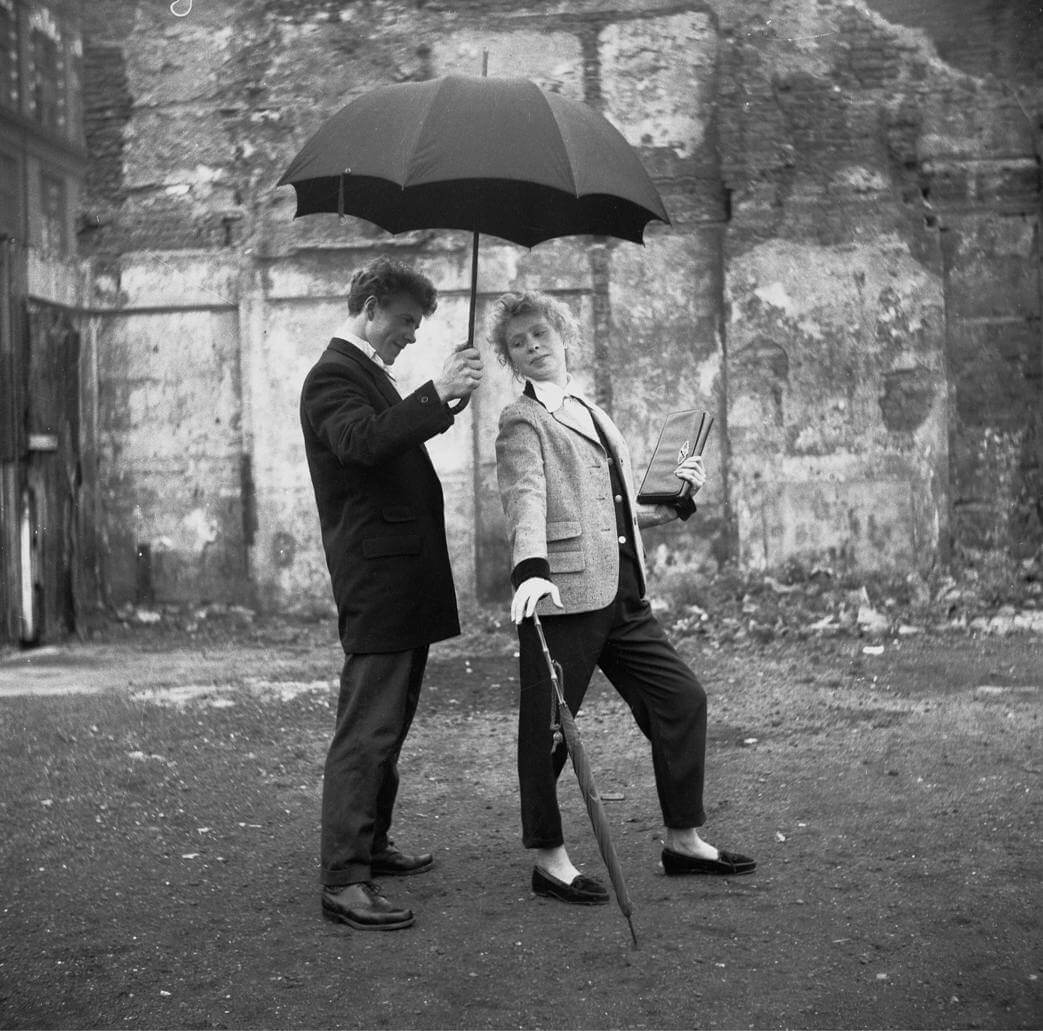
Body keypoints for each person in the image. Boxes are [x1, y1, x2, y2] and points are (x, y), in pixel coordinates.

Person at [491, 290, 754, 906]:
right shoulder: (521, 421)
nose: (531, 346)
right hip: (563, 595)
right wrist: (529, 568)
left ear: (563, 334)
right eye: (517, 343)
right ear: (510, 359)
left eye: (539, 333)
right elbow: (524, 497)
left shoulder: (589, 409)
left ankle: (683, 840)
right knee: (549, 730)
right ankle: (548, 859)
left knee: (680, 700)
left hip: (624, 596)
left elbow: (614, 515)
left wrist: (677, 498)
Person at [300, 256, 484, 930]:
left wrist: (440, 404)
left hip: (400, 576)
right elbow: (361, 443)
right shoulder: (331, 376)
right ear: (371, 304)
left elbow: (387, 444)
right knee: (368, 727)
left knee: (392, 721)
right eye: (404, 321)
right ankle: (344, 877)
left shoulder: (369, 375)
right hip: (377, 578)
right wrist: (434, 395)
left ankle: (370, 843)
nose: (408, 334)